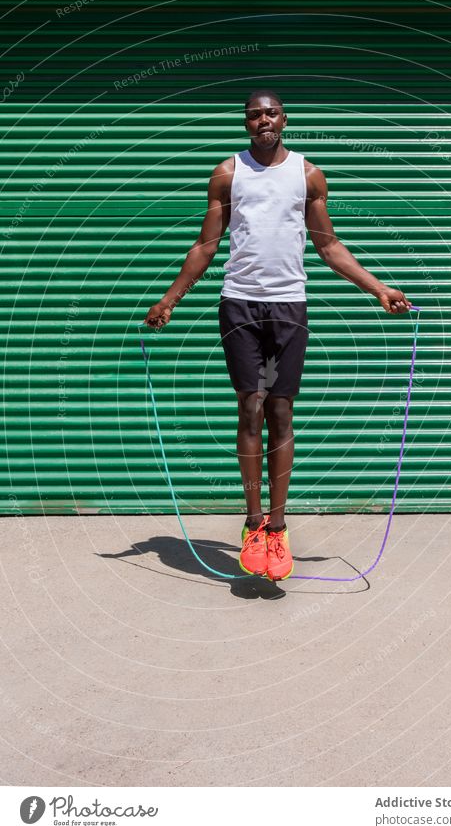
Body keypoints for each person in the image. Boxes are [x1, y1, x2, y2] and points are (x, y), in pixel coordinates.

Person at [144, 89, 412, 582]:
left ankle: (279, 526)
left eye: (270, 112)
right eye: (253, 114)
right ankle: (252, 523)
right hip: (240, 303)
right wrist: (169, 300)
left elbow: (328, 245)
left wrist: (378, 288)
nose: (262, 119)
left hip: (289, 305)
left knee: (281, 409)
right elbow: (207, 244)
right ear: (246, 123)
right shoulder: (228, 173)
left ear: (284, 118)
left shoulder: (307, 174)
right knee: (251, 405)